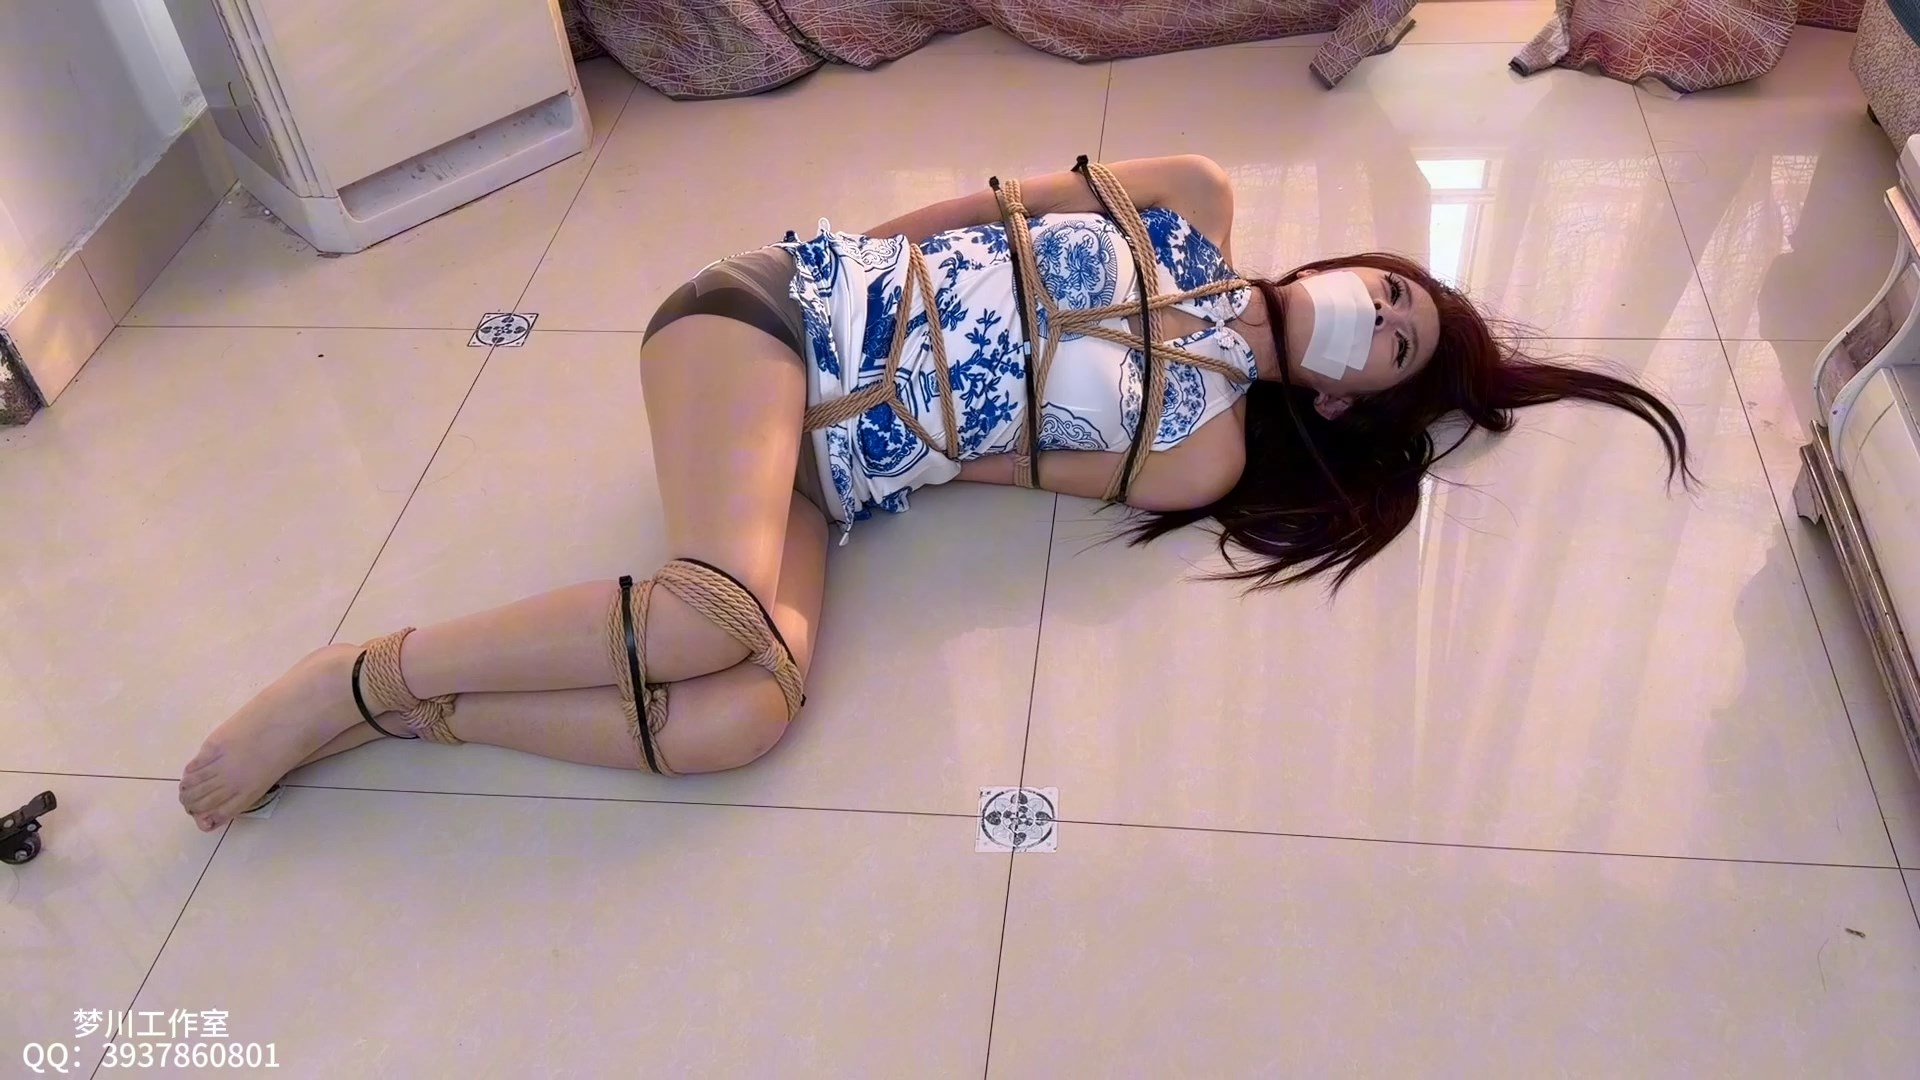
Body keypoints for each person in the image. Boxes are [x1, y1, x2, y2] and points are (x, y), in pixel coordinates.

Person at [177, 154, 1691, 830]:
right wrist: (839, 303)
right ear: (1360, 261)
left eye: (1394, 341)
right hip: (768, 322)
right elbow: (959, 218)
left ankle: (419, 714)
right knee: (708, 613)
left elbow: (983, 452)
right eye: (1394, 291)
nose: (1377, 311)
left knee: (746, 713)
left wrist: (1186, 354)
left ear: (1349, 397)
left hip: (829, 464)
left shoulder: (1208, 453)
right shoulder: (1197, 195)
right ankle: (352, 677)